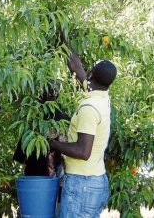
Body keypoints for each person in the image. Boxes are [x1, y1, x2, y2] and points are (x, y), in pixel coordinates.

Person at [49, 37, 117, 217]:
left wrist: (53, 144)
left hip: (82, 184)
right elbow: (77, 67)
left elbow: (82, 151)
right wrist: (63, 39)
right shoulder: (101, 96)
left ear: (91, 76)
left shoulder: (89, 108)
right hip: (94, 181)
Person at [13, 81, 69, 177]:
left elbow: (20, 157)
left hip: (35, 176)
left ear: (40, 96)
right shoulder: (66, 119)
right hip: (60, 174)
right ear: (58, 95)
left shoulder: (32, 120)